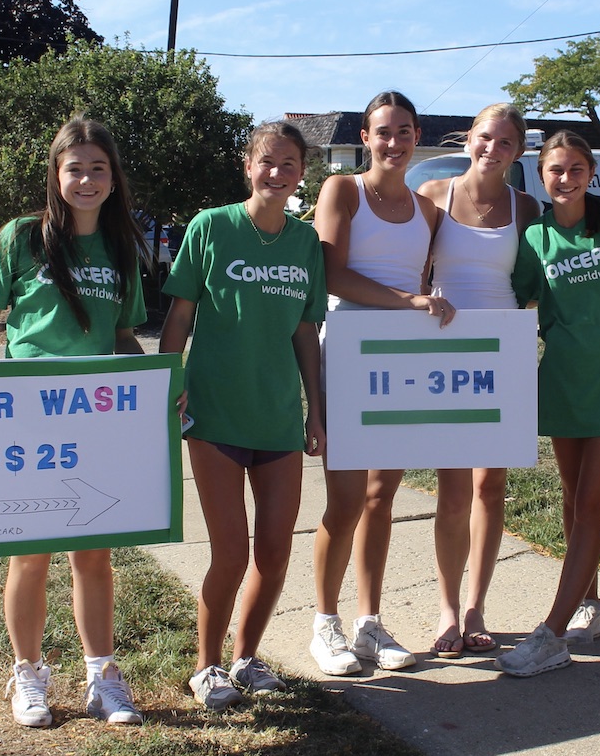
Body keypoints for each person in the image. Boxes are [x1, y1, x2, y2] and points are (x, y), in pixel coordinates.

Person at [0, 116, 148, 727]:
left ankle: (102, 676)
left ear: (113, 179)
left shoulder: (122, 249)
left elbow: (124, 336)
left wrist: (153, 382)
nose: (87, 179)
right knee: (31, 554)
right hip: (28, 418)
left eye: (99, 168)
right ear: (56, 174)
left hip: (93, 421)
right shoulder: (20, 237)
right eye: (75, 168)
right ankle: (28, 675)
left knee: (93, 553)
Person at [159, 121, 327, 709]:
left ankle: (247, 657)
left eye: (288, 164)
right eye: (267, 162)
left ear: (301, 172)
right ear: (247, 166)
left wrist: (316, 410)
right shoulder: (211, 227)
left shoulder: (305, 242)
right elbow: (179, 317)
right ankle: (206, 668)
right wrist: (170, 380)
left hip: (278, 417)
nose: (276, 174)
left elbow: (307, 333)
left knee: (275, 549)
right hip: (214, 415)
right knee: (230, 551)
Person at [496, 130, 600, 677]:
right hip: (562, 383)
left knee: (590, 503)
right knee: (570, 498)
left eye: (575, 169)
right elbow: (510, 302)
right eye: (555, 171)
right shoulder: (535, 236)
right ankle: (590, 602)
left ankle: (552, 632)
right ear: (540, 177)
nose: (565, 179)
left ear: (591, 172)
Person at [310, 91, 456, 675]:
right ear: (366, 139)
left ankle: (369, 622)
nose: (392, 142)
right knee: (345, 500)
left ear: (417, 136)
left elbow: (427, 281)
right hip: (348, 353)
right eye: (381, 132)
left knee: (381, 496)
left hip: (403, 363)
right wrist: (409, 300)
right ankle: (326, 623)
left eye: (402, 132)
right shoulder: (342, 191)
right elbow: (333, 272)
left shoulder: (429, 212)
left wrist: (431, 306)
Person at [417, 103, 541, 658]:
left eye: (507, 142)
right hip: (445, 351)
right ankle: (446, 608)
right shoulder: (434, 196)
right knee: (453, 486)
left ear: (519, 151)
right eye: (486, 138)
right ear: (470, 138)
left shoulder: (526, 205)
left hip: (502, 352)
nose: (494, 149)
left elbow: (535, 279)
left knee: (491, 484)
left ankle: (476, 607)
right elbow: (414, 271)